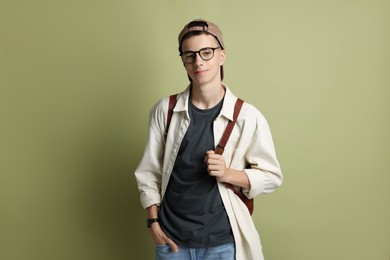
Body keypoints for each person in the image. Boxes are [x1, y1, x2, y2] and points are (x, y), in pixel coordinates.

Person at [135, 19, 283, 260]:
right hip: (172, 243)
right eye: (189, 55)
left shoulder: (248, 117)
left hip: (223, 244)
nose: (198, 62)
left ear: (222, 56)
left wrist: (228, 174)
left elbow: (272, 176)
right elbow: (149, 173)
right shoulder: (165, 110)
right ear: (183, 60)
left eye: (206, 52)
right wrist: (153, 222)